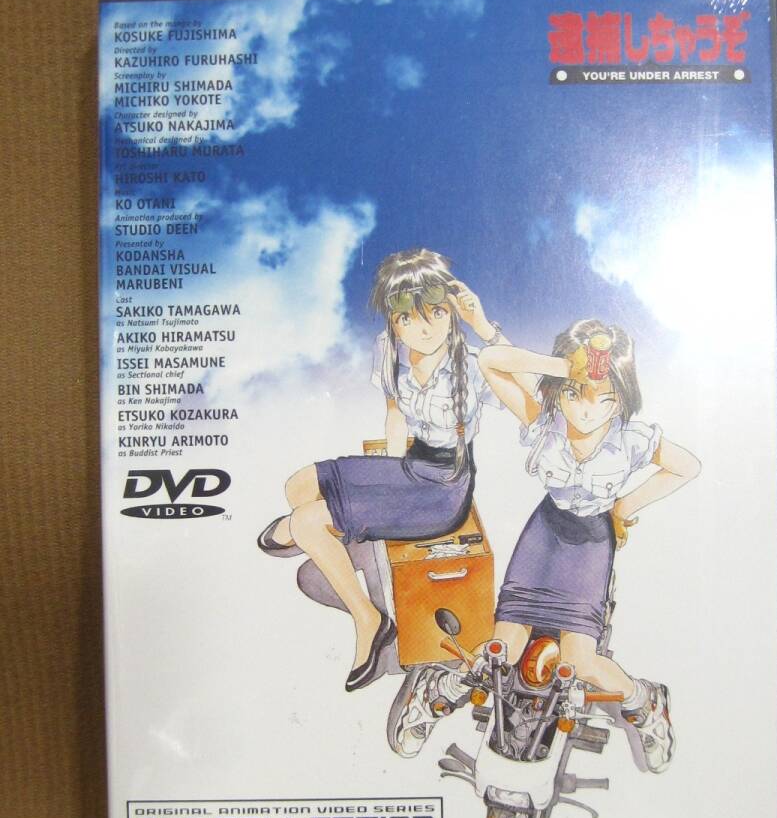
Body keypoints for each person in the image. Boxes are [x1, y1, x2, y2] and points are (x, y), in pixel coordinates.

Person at [390, 319, 700, 771]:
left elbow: (687, 466)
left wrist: (625, 506)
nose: (587, 410)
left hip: (591, 544)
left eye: (604, 398)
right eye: (575, 394)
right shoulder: (543, 419)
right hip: (544, 534)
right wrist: (564, 367)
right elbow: (491, 361)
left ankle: (645, 702)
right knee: (499, 653)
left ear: (621, 398)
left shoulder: (632, 439)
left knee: (582, 663)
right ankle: (436, 691)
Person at [257, 248, 504, 692]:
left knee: (305, 522)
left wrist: (485, 327)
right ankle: (342, 539)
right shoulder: (389, 350)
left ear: (452, 310)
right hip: (410, 468)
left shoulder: (472, 363)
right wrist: (384, 484)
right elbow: (394, 415)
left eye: (435, 313)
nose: (423, 328)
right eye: (408, 318)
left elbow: (532, 393)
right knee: (299, 486)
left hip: (443, 492)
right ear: (394, 320)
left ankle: (369, 620)